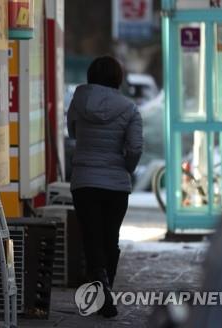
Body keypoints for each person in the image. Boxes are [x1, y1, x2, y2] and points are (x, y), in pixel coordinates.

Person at [67, 55, 143, 317]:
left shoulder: (79, 100)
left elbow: (72, 132)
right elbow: (134, 147)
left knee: (91, 237)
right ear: (117, 78)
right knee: (111, 238)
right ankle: (104, 292)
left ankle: (101, 287)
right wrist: (126, 167)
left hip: (84, 181)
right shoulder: (130, 108)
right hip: (115, 184)